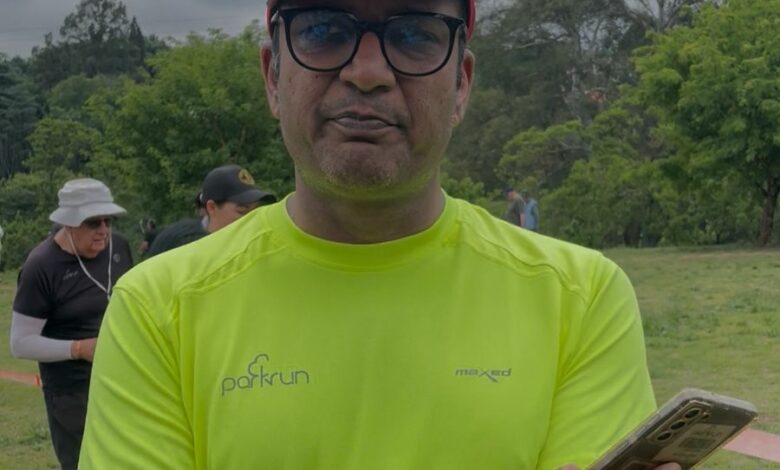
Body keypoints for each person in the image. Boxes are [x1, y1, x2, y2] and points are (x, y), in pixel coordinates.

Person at [80, 1, 679, 469]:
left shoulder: (580, 298)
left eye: (415, 34)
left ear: (462, 84)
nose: (367, 74)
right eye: (322, 30)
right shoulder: (157, 310)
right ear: (272, 77)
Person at [9, 178, 133, 470]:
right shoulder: (41, 266)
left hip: (122, 378)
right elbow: (20, 343)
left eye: (108, 220)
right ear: (69, 223)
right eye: (93, 222)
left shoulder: (119, 247)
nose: (103, 230)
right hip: (71, 392)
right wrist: (78, 348)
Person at [144, 164, 277, 257]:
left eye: (254, 211)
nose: (250, 219)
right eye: (242, 211)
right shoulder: (190, 245)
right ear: (211, 208)